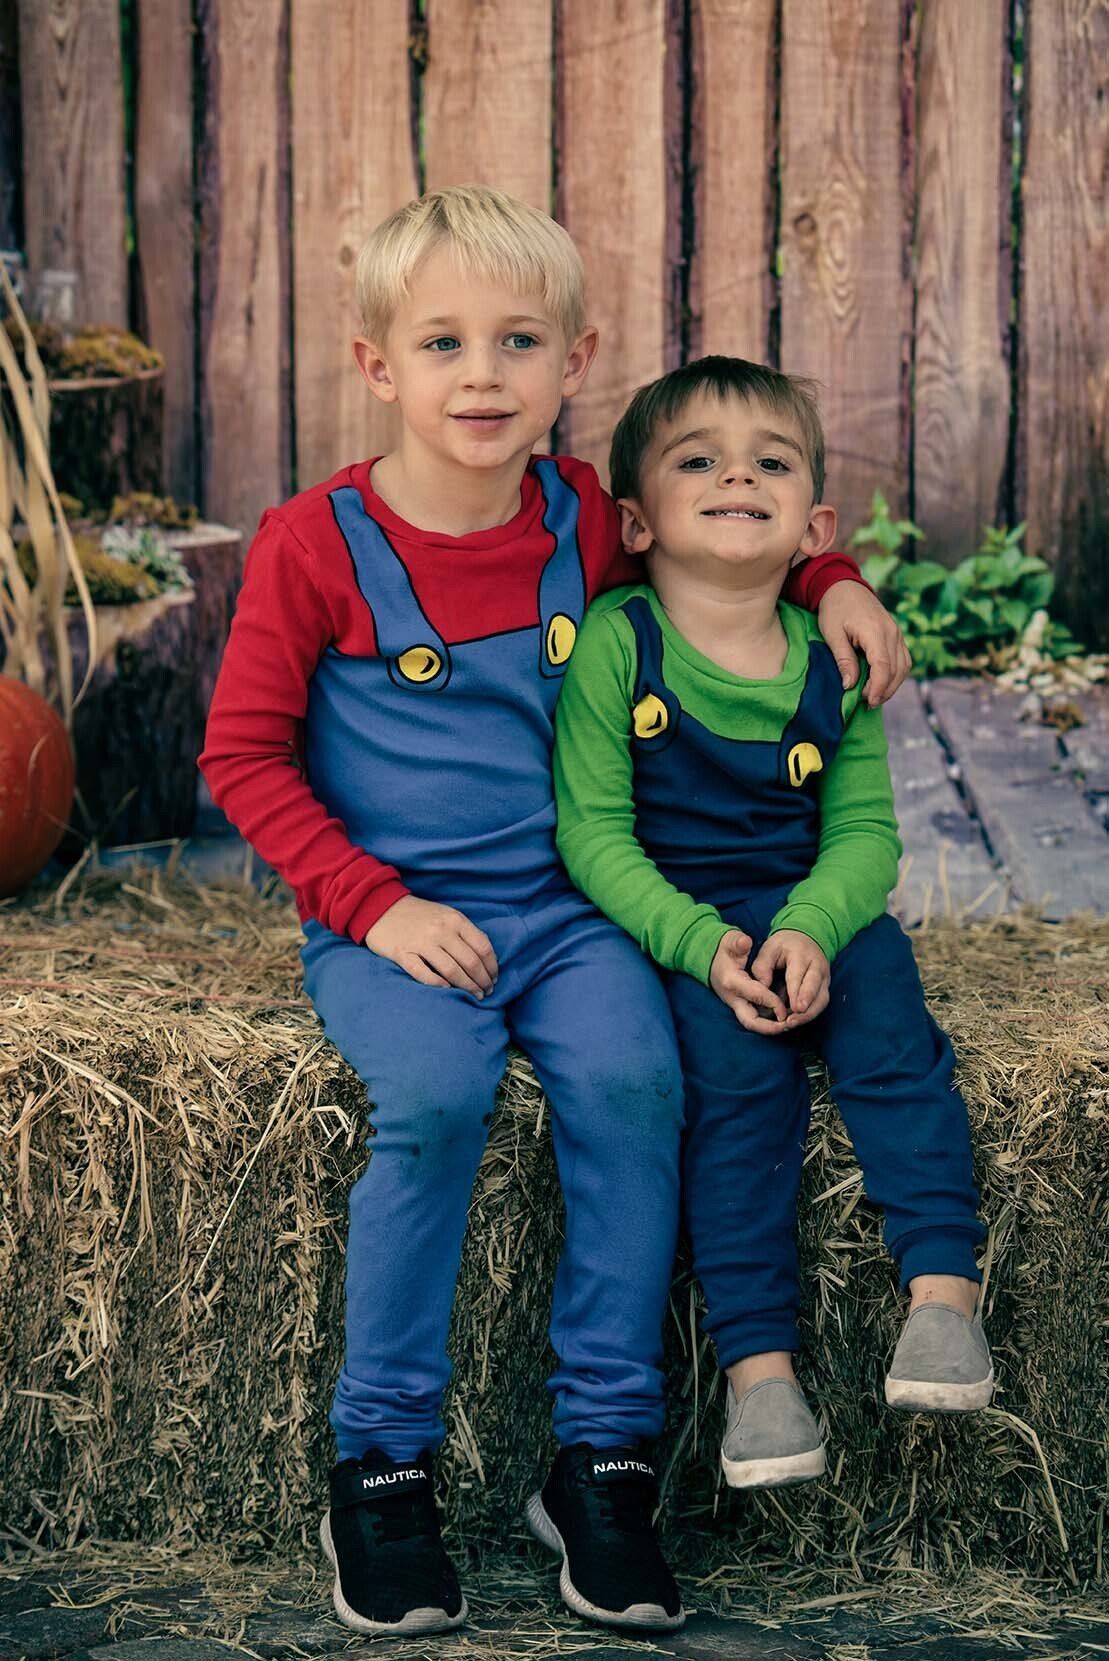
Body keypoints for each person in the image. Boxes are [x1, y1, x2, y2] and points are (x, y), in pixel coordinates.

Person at [200, 191, 909, 1636]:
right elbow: (239, 757)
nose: (482, 374)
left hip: (576, 906)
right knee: (442, 1099)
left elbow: (728, 543)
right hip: (393, 918)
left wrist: (832, 575)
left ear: (572, 361)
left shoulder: (585, 516)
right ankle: (381, 1463)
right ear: (378, 364)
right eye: (444, 342)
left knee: (639, 1082)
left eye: (516, 341)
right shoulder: (315, 544)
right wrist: (372, 905)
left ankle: (601, 1459)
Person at [553, 355, 992, 1496]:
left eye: (769, 461)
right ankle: (760, 1374)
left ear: (814, 522)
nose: (736, 473)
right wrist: (702, 946)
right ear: (636, 520)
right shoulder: (617, 641)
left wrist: (810, 925)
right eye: (697, 459)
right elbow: (594, 834)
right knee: (733, 1098)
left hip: (813, 911)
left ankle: (941, 1298)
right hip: (690, 928)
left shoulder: (830, 657)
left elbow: (864, 837)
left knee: (893, 1040)